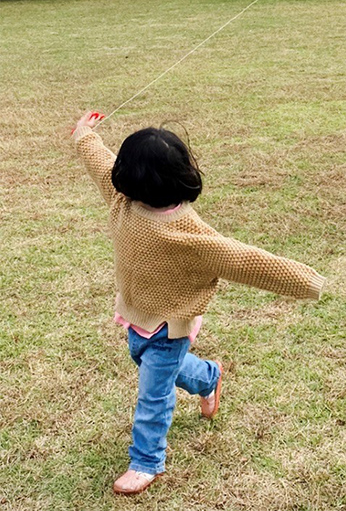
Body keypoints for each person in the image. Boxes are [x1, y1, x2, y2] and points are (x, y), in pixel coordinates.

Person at [72, 111, 326, 495]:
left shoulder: (190, 233)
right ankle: (209, 377)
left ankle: (146, 462)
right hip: (136, 314)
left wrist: (307, 281)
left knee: (153, 394)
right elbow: (98, 160)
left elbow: (246, 261)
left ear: (134, 177)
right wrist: (84, 133)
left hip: (170, 325)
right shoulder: (122, 200)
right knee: (151, 364)